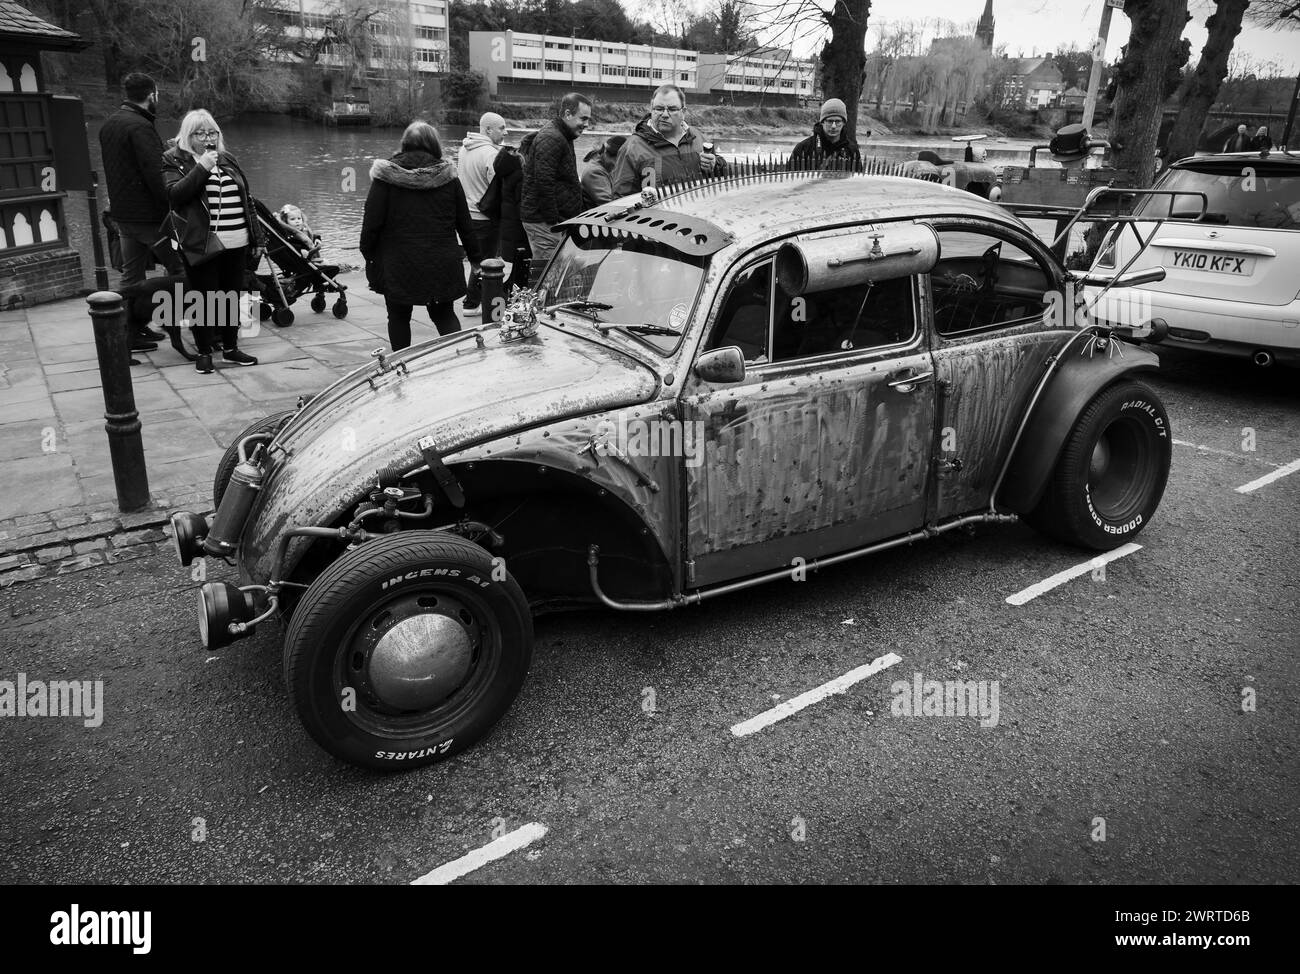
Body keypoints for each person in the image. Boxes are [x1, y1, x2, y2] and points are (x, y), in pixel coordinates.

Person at [360, 121, 482, 351]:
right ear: (435, 144)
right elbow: (465, 223)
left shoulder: (385, 177)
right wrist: (475, 258)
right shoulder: (448, 177)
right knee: (444, 314)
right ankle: (459, 362)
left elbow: (371, 223)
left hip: (398, 261)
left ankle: (401, 366)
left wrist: (369, 254)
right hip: (440, 260)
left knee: (398, 316)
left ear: (404, 143)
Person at [162, 109, 263, 374]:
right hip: (200, 242)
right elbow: (175, 195)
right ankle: (204, 352)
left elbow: (247, 200)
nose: (208, 138)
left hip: (236, 240)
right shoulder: (173, 159)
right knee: (204, 299)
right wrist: (203, 167)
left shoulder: (228, 158)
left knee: (230, 297)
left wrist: (257, 236)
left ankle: (230, 349)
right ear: (188, 135)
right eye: (201, 133)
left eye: (212, 132)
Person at [97, 72, 180, 359]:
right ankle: (180, 329)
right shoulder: (141, 127)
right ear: (151, 95)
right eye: (157, 95)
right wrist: (174, 202)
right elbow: (154, 175)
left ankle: (128, 331)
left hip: (122, 216)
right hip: (148, 218)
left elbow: (124, 167)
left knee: (131, 277)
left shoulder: (110, 123)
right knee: (182, 271)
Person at [610, 83, 726, 197]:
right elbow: (621, 198)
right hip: (658, 215)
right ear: (651, 110)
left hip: (695, 212)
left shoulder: (697, 137)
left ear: (683, 112)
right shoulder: (633, 147)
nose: (665, 114)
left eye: (672, 109)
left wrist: (715, 164)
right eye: (659, 109)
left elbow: (722, 175)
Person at [520, 92, 592, 264]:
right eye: (583, 118)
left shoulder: (562, 135)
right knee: (547, 275)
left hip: (550, 222)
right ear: (567, 114)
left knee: (553, 272)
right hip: (544, 223)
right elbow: (544, 183)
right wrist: (554, 222)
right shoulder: (552, 138)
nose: (586, 124)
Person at [458, 111, 507, 317]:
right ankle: (472, 303)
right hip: (485, 216)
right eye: (502, 128)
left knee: (476, 260)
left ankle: (471, 300)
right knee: (488, 263)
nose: (506, 132)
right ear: (488, 129)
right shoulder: (490, 153)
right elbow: (498, 187)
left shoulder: (464, 148)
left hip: (467, 214)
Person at [494, 142, 531, 294]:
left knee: (512, 270)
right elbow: (522, 206)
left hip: (507, 229)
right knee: (520, 272)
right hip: (519, 232)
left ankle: (507, 298)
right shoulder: (521, 175)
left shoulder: (506, 172)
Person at [788, 98, 861, 171]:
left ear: (844, 123)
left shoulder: (852, 150)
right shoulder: (803, 148)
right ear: (822, 122)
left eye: (838, 121)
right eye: (830, 121)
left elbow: (858, 179)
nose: (833, 126)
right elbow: (790, 178)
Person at [580, 135, 627, 207]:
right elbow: (609, 204)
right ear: (605, 153)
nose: (620, 165)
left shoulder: (606, 168)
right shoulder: (594, 172)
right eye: (618, 160)